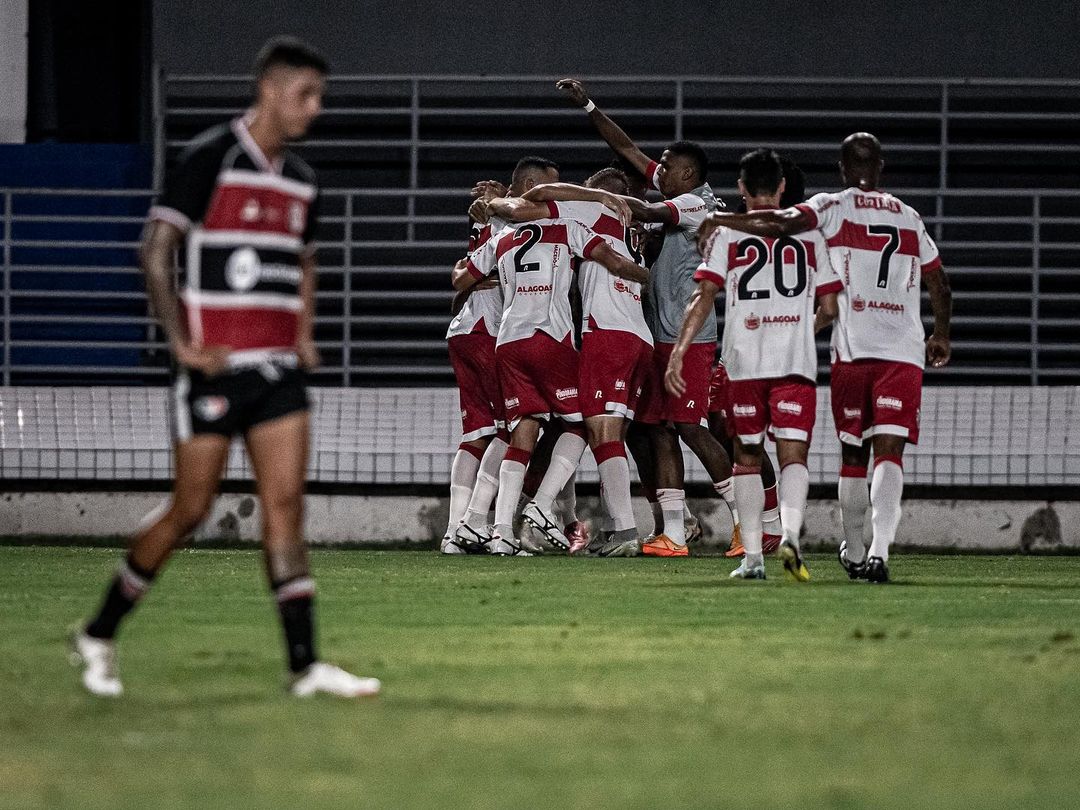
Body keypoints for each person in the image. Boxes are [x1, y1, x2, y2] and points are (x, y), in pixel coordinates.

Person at [72, 37, 380, 698]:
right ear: (270, 89)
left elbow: (306, 259)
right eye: (307, 94)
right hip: (213, 369)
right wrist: (181, 344)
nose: (315, 109)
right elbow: (156, 250)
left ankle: (305, 665)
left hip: (275, 374)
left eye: (320, 97)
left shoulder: (301, 179)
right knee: (191, 510)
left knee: (286, 506)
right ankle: (99, 631)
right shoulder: (208, 156)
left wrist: (301, 331)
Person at [697, 133, 953, 582]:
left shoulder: (830, 207)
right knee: (889, 451)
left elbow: (775, 225)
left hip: (850, 351)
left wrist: (718, 218)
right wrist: (941, 335)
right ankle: (878, 553)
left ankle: (851, 552)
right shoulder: (910, 217)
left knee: (851, 453)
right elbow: (939, 281)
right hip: (904, 351)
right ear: (883, 167)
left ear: (840, 168)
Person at [557, 78, 739, 558]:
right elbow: (626, 148)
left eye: (669, 166)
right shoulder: (679, 188)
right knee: (659, 428)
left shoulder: (697, 203)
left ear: (688, 173)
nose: (659, 170)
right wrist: (590, 106)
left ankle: (751, 524)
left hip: (690, 335)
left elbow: (645, 209)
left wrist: (598, 200)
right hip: (661, 334)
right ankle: (674, 533)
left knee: (693, 427)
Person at [667, 148, 840, 579]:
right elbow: (831, 307)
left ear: (741, 188)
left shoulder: (726, 235)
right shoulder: (811, 236)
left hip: (745, 360)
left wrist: (679, 350)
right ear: (782, 187)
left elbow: (702, 296)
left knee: (746, 452)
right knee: (793, 453)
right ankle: (791, 536)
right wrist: (801, 328)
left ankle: (752, 559)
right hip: (794, 362)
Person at [452, 191, 643, 555]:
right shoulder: (567, 227)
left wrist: (478, 280)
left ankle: (499, 531)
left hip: (508, 343)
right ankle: (540, 506)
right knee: (583, 420)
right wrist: (645, 274)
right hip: (549, 337)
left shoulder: (502, 239)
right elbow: (614, 263)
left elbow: (459, 277)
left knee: (522, 430)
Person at [447, 157, 561, 554]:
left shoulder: (488, 212)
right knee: (514, 429)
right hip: (495, 331)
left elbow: (462, 276)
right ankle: (482, 524)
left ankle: (455, 532)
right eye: (550, 185)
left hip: (465, 330)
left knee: (476, 433)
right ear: (530, 185)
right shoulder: (513, 216)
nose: (554, 193)